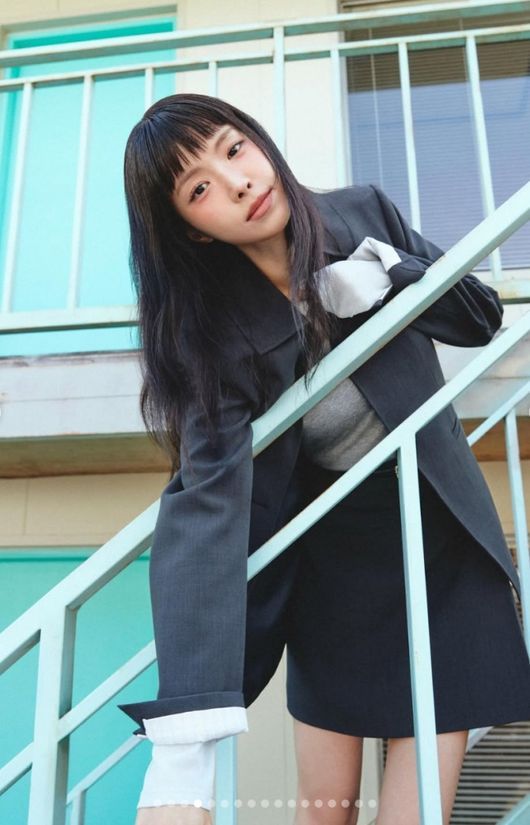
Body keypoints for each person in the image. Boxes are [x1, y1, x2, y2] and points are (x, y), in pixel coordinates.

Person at [119, 93, 530, 825]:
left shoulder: (361, 213)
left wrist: (393, 273)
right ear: (193, 230)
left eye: (234, 149)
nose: (238, 182)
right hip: (333, 559)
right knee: (325, 809)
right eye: (200, 188)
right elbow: (205, 500)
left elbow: (479, 314)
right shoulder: (213, 334)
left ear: (258, 141)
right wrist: (183, 736)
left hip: (439, 536)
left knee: (418, 809)